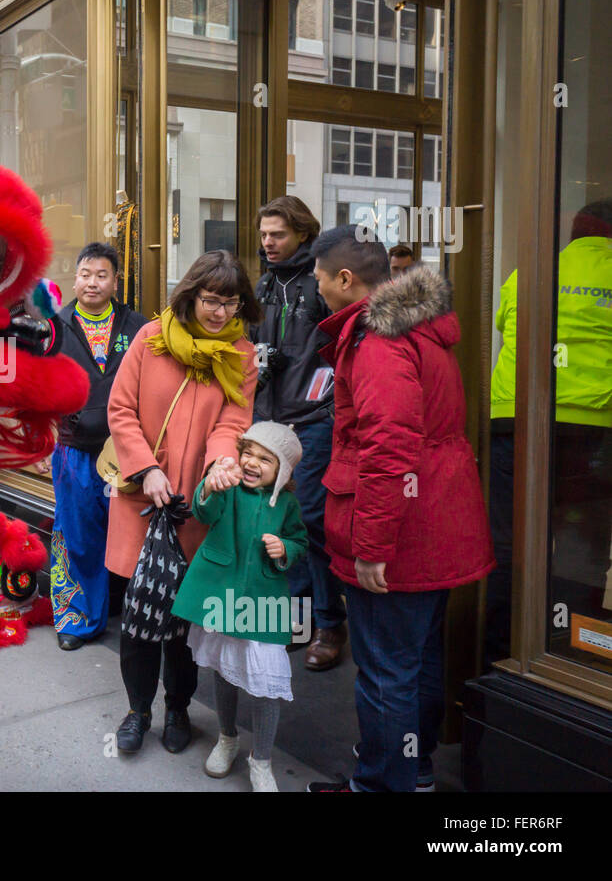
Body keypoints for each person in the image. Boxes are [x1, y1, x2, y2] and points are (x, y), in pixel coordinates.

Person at [306, 226, 493, 793]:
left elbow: (387, 450)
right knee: (415, 663)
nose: (317, 291)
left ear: (344, 279)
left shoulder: (380, 340)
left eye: (319, 280)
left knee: (387, 673)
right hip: (435, 524)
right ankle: (414, 773)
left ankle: (381, 785)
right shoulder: (417, 329)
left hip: (401, 534)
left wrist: (372, 548)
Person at [106, 250, 260, 755]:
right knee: (139, 611)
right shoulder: (151, 340)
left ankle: (177, 708)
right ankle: (136, 711)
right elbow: (121, 409)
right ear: (191, 295)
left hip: (198, 503)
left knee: (183, 617)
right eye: (212, 301)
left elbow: (233, 424)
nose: (220, 313)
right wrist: (146, 468)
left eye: (230, 304)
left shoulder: (241, 354)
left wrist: (219, 465)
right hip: (142, 498)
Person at [485, 201, 612, 663]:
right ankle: (576, 646)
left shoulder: (536, 268)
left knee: (511, 541)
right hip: (594, 424)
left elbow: (503, 324)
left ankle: (500, 656)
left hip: (515, 417)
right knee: (586, 547)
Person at [173, 421, 308, 792]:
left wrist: (286, 549)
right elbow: (204, 510)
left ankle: (261, 760)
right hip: (221, 593)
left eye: (265, 459)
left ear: (282, 471)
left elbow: (300, 539)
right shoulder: (228, 487)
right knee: (224, 670)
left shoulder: (288, 504)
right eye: (247, 452)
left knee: (265, 684)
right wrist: (211, 483)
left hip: (264, 601)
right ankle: (227, 737)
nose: (251, 462)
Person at [249, 196, 346, 670]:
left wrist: (322, 400)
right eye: (264, 234)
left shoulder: (324, 281)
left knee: (311, 519)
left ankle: (329, 623)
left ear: (302, 233)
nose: (268, 242)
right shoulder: (265, 283)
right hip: (268, 418)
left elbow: (337, 351)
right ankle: (298, 617)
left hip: (313, 419)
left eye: (278, 234)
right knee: (280, 520)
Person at [49, 242, 146, 650]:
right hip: (73, 450)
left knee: (128, 533)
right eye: (85, 274)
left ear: (115, 281)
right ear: (75, 278)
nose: (92, 282)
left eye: (101, 275)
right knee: (77, 534)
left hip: (126, 451)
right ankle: (76, 619)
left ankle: (126, 611)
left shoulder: (137, 327)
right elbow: (37, 390)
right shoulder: (55, 326)